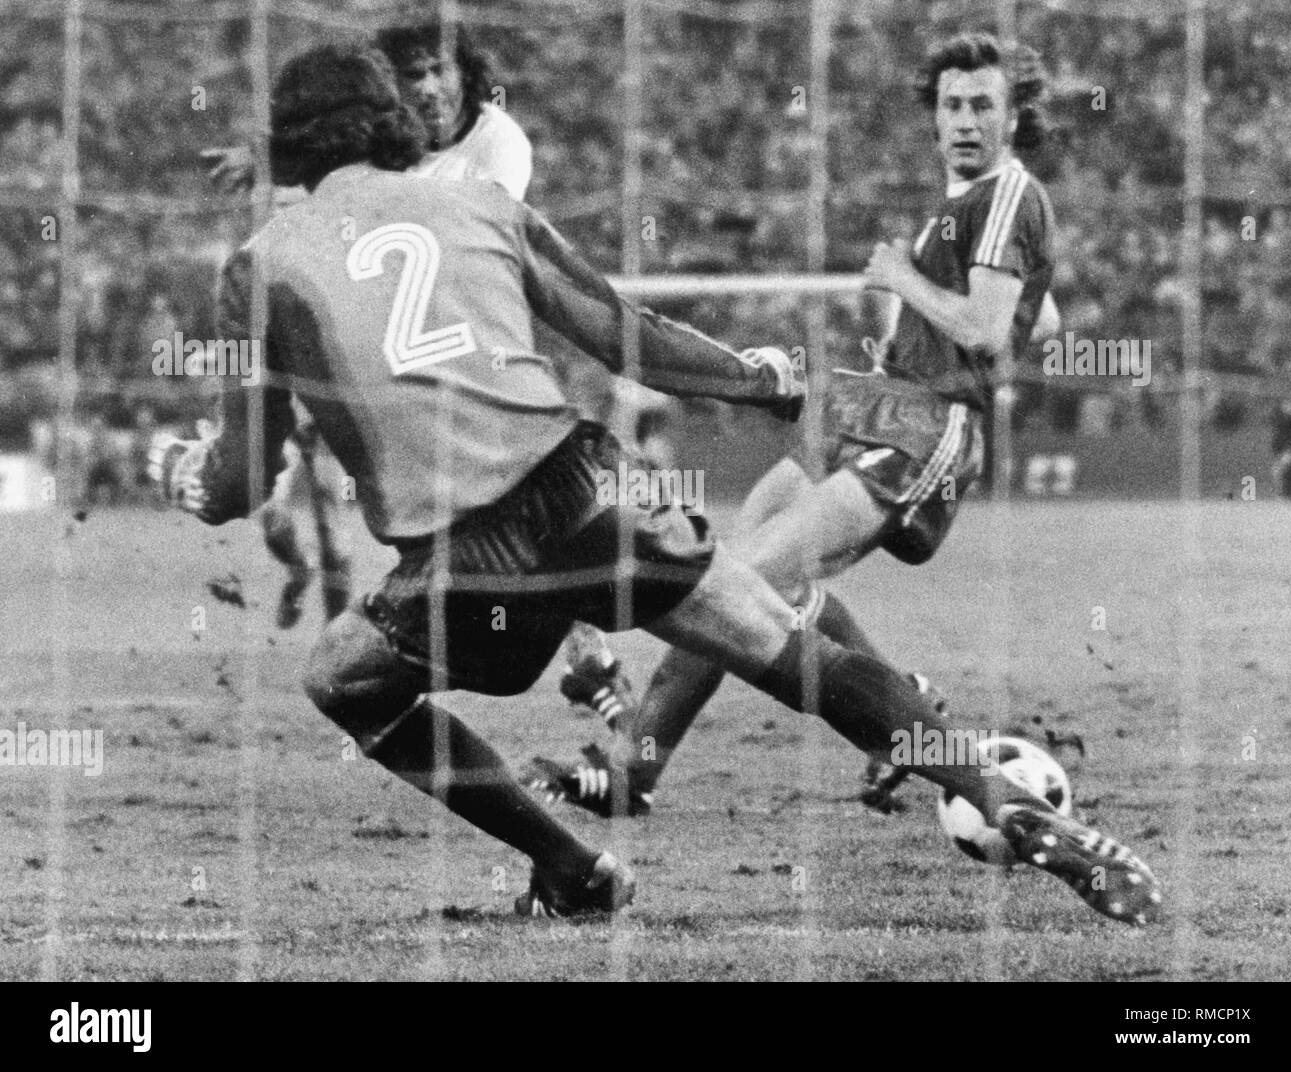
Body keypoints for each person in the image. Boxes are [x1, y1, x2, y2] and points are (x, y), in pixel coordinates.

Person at [151, 43, 1161, 925]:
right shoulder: (478, 202)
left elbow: (241, 482)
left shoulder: (259, 263)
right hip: (592, 489)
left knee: (344, 676)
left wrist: (190, 480)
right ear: (388, 121)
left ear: (284, 145)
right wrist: (755, 377)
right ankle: (991, 788)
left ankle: (571, 865)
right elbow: (625, 336)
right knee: (784, 644)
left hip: (463, 564)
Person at [527, 32, 1065, 819]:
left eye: (983, 104)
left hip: (920, 425)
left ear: (1015, 116)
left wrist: (903, 281)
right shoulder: (964, 204)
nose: (963, 120)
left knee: (730, 589)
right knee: (735, 566)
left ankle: (634, 770)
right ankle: (903, 716)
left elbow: (988, 329)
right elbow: (1039, 317)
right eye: (951, 104)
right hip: (871, 401)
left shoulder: (1010, 195)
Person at [203, 19, 533, 627]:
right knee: (281, 508)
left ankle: (578, 646)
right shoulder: (362, 164)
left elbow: (461, 241)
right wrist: (268, 157)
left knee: (512, 502)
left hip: (442, 350)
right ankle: (329, 606)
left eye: (441, 71)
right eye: (413, 76)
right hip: (345, 350)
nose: (430, 88)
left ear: (467, 76)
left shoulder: (498, 146)